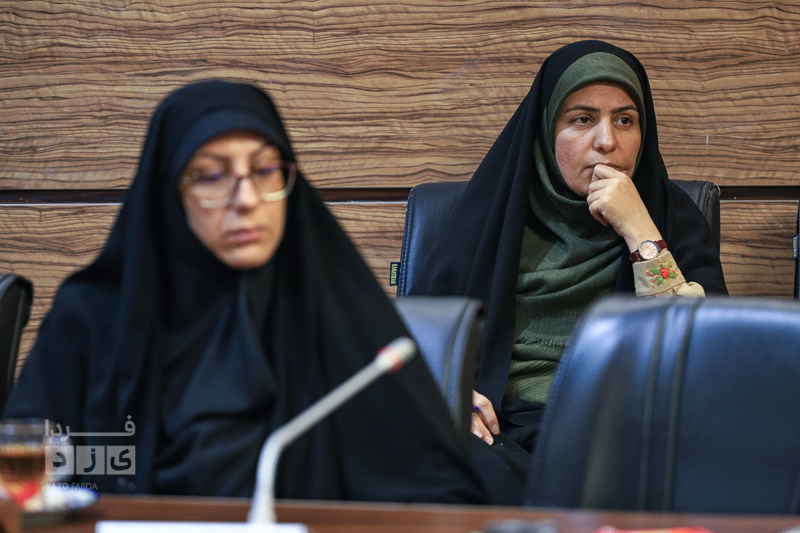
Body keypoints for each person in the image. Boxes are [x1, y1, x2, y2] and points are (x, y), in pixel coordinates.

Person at [4, 80, 491, 503]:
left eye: (264, 170)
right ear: (168, 192)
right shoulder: (93, 316)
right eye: (211, 176)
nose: (247, 200)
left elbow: (435, 491)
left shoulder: (333, 308)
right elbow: (28, 476)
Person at [407, 40, 728, 482]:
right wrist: (449, 395)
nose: (607, 142)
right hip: (498, 429)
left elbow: (705, 362)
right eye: (582, 120)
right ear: (545, 129)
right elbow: (418, 344)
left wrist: (640, 231)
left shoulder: (673, 218)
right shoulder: (489, 215)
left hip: (622, 431)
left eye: (625, 120)